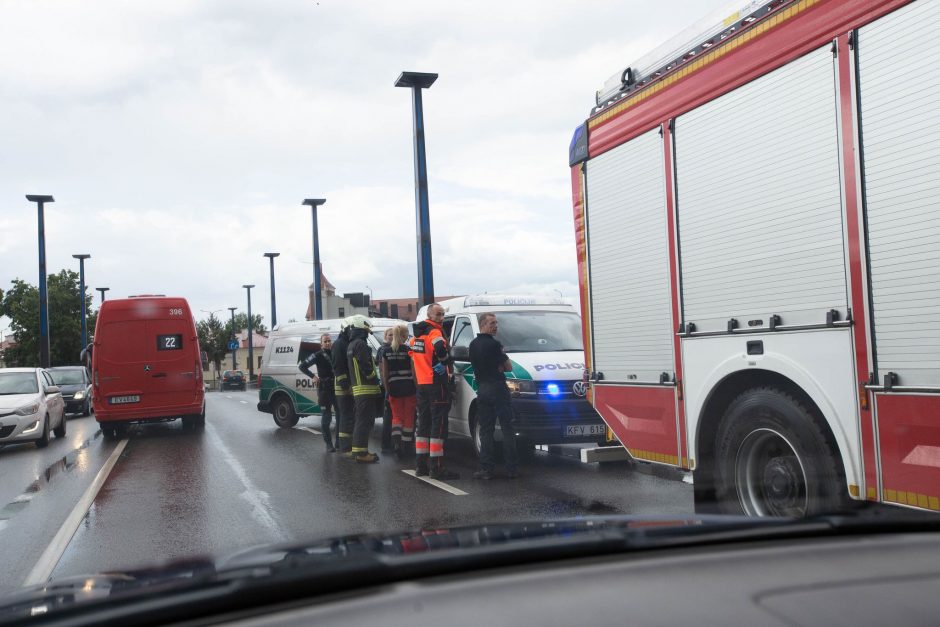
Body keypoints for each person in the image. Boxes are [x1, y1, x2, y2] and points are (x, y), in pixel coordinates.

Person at [410, 303, 459, 480]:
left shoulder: (416, 335)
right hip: (436, 383)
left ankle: (420, 465)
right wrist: (445, 362)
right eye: (438, 314)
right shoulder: (435, 332)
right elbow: (440, 350)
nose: (441, 318)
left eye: (442, 314)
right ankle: (436, 468)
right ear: (429, 315)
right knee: (438, 425)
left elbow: (412, 355)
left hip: (422, 384)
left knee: (423, 424)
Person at [469, 312, 518, 479]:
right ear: (483, 325)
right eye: (492, 323)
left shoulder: (473, 344)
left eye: (496, 323)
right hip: (498, 389)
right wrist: (500, 366)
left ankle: (486, 469)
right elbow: (509, 367)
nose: (495, 326)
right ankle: (511, 469)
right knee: (507, 429)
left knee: (486, 431)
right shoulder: (495, 345)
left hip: (483, 389)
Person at [346, 315, 382, 463]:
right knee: (364, 421)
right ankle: (361, 454)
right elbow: (365, 365)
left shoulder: (352, 344)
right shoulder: (360, 344)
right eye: (367, 329)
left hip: (360, 389)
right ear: (362, 328)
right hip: (366, 389)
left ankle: (358, 451)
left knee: (361, 420)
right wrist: (373, 375)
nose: (368, 332)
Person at [381, 324, 416, 459]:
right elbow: (413, 371)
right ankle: (406, 446)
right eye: (406, 333)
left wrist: (387, 389)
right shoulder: (408, 350)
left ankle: (396, 443)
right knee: (409, 416)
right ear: (403, 335)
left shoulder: (386, 351)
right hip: (408, 387)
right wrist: (416, 386)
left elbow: (385, 373)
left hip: (394, 388)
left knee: (396, 417)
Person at [298, 333, 338, 452]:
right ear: (321, 344)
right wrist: (313, 377)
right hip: (324, 389)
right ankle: (328, 444)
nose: (327, 343)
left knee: (341, 415)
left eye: (329, 341)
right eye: (325, 341)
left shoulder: (335, 353)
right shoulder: (317, 355)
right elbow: (302, 366)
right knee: (326, 417)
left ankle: (340, 442)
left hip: (336, 388)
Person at [331, 321, 355, 454]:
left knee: (347, 417)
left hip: (348, 387)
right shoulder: (339, 344)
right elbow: (338, 366)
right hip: (343, 388)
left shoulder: (344, 343)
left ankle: (344, 445)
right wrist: (345, 385)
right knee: (345, 417)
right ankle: (345, 446)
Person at [375, 328, 394, 453]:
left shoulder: (393, 348)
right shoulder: (383, 350)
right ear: (385, 336)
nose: (392, 337)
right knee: (388, 418)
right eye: (389, 335)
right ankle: (386, 445)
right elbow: (382, 370)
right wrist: (386, 386)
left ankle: (391, 443)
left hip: (393, 386)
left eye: (394, 334)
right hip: (388, 387)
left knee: (392, 418)